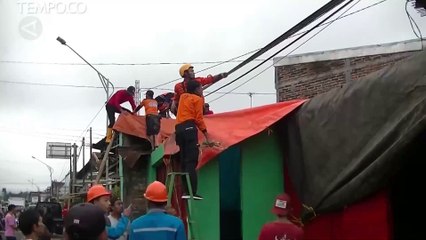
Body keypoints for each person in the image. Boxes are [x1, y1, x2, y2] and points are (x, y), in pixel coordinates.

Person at [175, 80, 209, 200]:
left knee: (184, 160)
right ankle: (192, 191)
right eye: (200, 88)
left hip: (178, 129)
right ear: (195, 89)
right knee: (192, 160)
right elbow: (199, 118)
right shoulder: (197, 99)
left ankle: (185, 190)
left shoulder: (183, 96)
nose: (202, 90)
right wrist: (205, 133)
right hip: (189, 127)